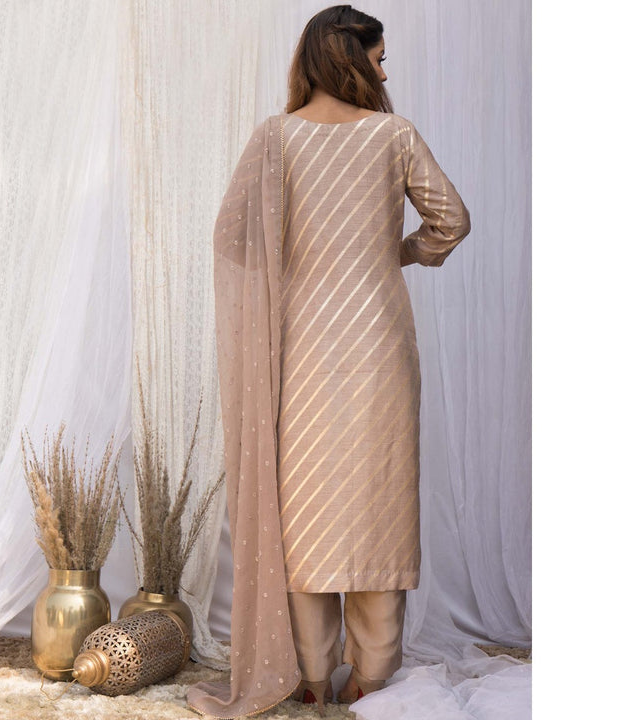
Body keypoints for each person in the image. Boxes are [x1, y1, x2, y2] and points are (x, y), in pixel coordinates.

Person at [187, 5, 470, 718]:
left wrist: (284, 274)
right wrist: (395, 253)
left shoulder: (275, 138)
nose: (384, 72)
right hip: (378, 345)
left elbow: (230, 238)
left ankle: (312, 675)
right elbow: (451, 220)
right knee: (378, 502)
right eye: (378, 58)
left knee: (306, 509)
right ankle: (370, 678)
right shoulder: (393, 135)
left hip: (302, 346)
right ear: (348, 57)